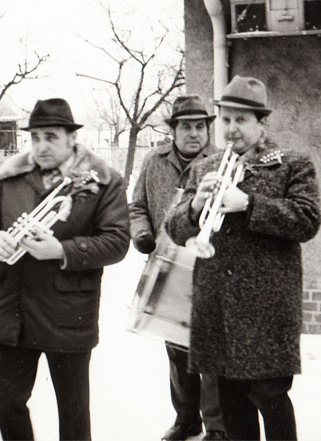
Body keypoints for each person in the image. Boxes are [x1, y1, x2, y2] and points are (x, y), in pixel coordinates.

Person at [166, 76, 321, 440]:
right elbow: (174, 228)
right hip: (217, 306)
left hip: (266, 308)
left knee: (271, 396)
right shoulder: (204, 168)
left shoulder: (292, 164)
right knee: (232, 406)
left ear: (261, 123)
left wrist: (250, 204)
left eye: (241, 120)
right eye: (226, 119)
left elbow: (307, 220)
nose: (231, 128)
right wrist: (195, 205)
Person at [0, 98, 130, 441]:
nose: (41, 146)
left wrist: (61, 250)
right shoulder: (8, 178)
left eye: (51, 137)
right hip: (13, 310)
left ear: (72, 138)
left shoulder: (104, 181)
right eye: (35, 137)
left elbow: (117, 241)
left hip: (68, 311)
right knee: (4, 397)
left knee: (73, 412)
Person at [129, 94, 226, 441]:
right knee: (175, 346)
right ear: (173, 130)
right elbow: (137, 206)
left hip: (209, 266)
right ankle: (186, 420)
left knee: (209, 347)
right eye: (186, 127)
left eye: (200, 126)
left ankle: (216, 426)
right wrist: (142, 234)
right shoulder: (153, 161)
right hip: (166, 264)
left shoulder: (220, 162)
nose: (194, 134)